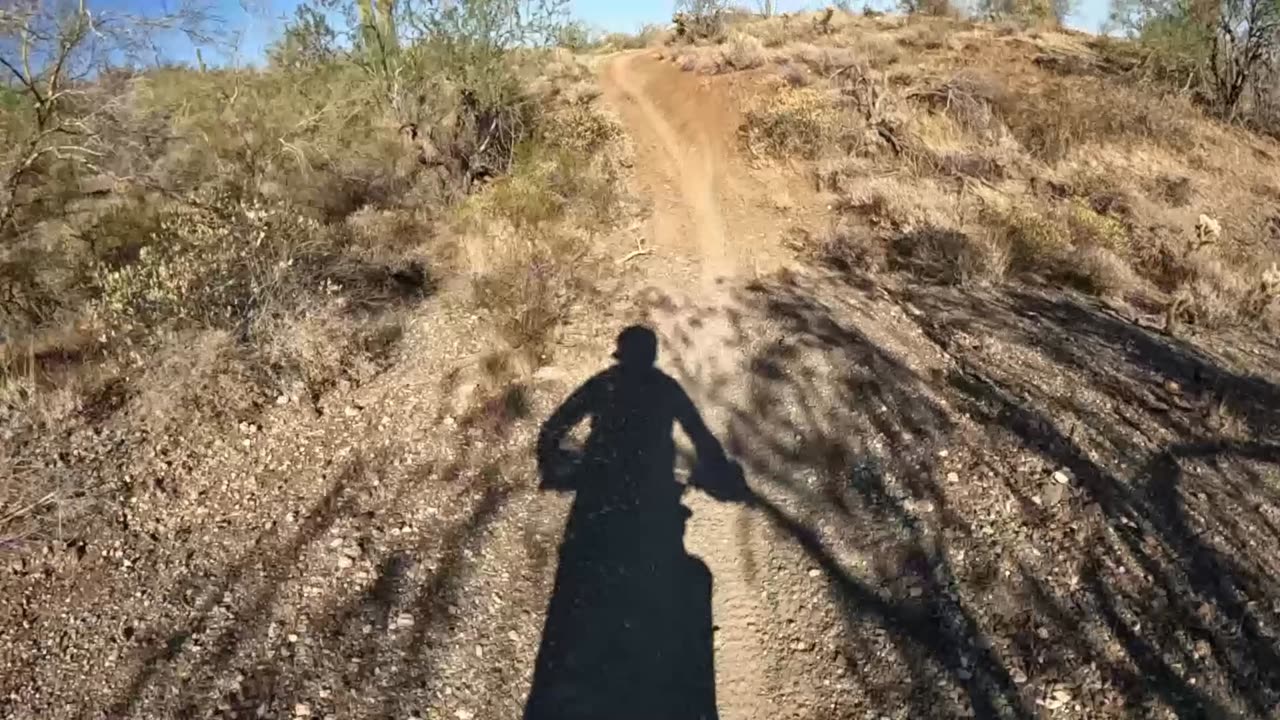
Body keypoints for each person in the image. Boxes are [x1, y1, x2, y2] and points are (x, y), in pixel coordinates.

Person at [523, 325, 748, 720]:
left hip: (598, 491)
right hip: (652, 492)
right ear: (652, 356)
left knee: (582, 573)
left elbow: (554, 427)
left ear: (620, 355)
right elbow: (700, 435)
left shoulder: (602, 383)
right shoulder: (667, 388)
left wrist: (558, 468)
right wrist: (713, 470)